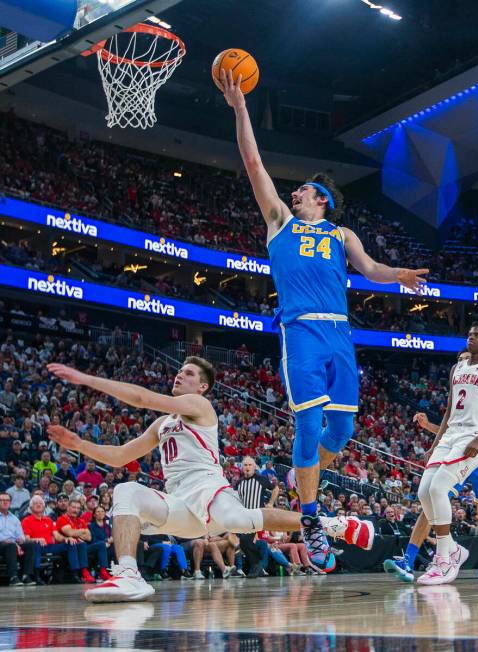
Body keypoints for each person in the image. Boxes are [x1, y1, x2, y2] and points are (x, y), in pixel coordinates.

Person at [219, 67, 427, 572]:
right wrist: (241, 107)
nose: (294, 194)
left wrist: (396, 273)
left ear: (323, 200)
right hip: (303, 331)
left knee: (340, 434)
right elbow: (252, 162)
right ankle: (310, 519)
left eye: (304, 191)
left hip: (340, 333)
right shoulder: (279, 223)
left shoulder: (340, 234)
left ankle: (302, 476)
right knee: (308, 427)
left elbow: (372, 268)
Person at [47, 357, 371, 602]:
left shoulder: (199, 405)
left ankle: (332, 525)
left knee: (238, 519)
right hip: (181, 506)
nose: (180, 374)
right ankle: (130, 574)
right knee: (126, 490)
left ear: (202, 387)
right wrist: (79, 445)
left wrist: (86, 378)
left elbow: (142, 399)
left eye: (188, 373)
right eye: (180, 370)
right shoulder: (162, 425)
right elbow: (119, 457)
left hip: (209, 488)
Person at [385, 349, 478, 582]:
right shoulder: (460, 391)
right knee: (430, 498)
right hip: (458, 451)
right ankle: (409, 559)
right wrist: (431, 428)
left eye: (466, 359)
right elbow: (454, 429)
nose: (463, 364)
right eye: (459, 360)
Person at [414, 325, 478, 585]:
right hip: (454, 437)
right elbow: (449, 412)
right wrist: (435, 443)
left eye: (477, 334)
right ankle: (451, 549)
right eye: (469, 333)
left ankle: (457, 555)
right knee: (426, 492)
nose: (471, 337)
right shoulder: (456, 369)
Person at [0, 491, 36, 585]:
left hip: (12, 544)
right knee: (10, 545)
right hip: (2, 543)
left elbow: (20, 535)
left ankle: (26, 575)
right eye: (2, 500)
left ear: (10, 503)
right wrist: (8, 541)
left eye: (7, 500)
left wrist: (20, 540)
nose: (5, 502)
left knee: (29, 545)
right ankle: (13, 577)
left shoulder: (14, 518)